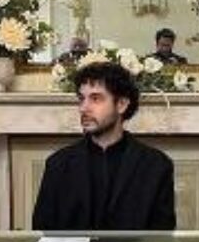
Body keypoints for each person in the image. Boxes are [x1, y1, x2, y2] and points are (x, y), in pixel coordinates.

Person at [32, 62, 176, 230]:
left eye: (95, 99)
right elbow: (42, 232)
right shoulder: (58, 164)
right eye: (81, 99)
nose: (83, 108)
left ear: (121, 104)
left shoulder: (156, 165)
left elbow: (161, 237)